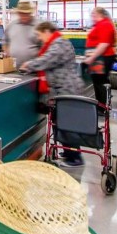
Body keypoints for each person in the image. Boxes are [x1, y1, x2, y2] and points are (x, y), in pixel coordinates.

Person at [20, 21, 85, 166]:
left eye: (39, 35)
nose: (39, 38)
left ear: (47, 31)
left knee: (67, 124)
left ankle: (75, 158)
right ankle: (68, 152)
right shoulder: (58, 42)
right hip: (62, 90)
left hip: (66, 90)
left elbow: (47, 60)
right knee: (60, 122)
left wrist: (27, 65)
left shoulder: (59, 44)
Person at [84, 7, 117, 103]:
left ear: (100, 14)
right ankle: (101, 104)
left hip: (103, 58)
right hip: (99, 58)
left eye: (93, 14)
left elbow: (104, 44)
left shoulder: (105, 24)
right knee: (98, 82)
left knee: (100, 82)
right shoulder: (99, 24)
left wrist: (92, 57)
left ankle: (103, 105)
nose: (92, 16)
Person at [3, 1, 40, 67]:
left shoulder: (38, 26)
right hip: (13, 67)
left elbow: (46, 47)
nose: (24, 16)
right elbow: (5, 41)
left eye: (26, 13)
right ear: (18, 13)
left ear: (30, 13)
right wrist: (7, 52)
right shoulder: (12, 25)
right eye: (21, 13)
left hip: (33, 68)